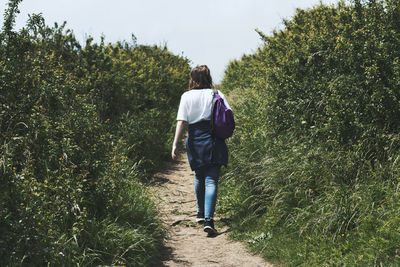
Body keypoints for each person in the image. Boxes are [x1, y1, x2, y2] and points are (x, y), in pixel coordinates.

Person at [171, 65, 232, 236]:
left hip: (195, 139)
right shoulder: (216, 94)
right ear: (208, 78)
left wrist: (175, 144)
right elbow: (228, 114)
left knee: (199, 176)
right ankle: (209, 220)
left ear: (192, 79)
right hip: (213, 139)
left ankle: (200, 213)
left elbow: (181, 121)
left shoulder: (186, 96)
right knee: (211, 179)